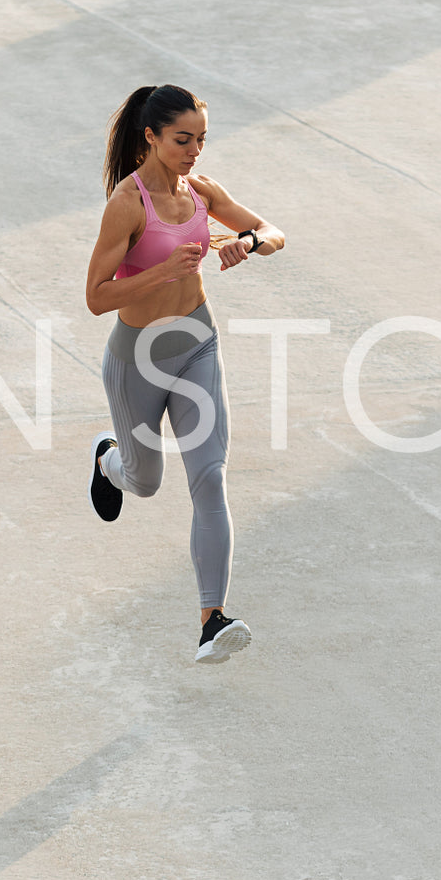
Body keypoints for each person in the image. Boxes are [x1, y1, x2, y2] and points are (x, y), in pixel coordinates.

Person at [85, 84, 286, 663]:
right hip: (137, 358)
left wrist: (245, 242)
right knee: (144, 481)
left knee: (209, 477)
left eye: (201, 139)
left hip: (197, 344)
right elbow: (97, 297)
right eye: (182, 140)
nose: (195, 151)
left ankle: (211, 619)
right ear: (150, 137)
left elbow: (273, 231)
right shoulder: (127, 203)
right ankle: (108, 459)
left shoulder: (201, 190)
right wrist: (161, 271)